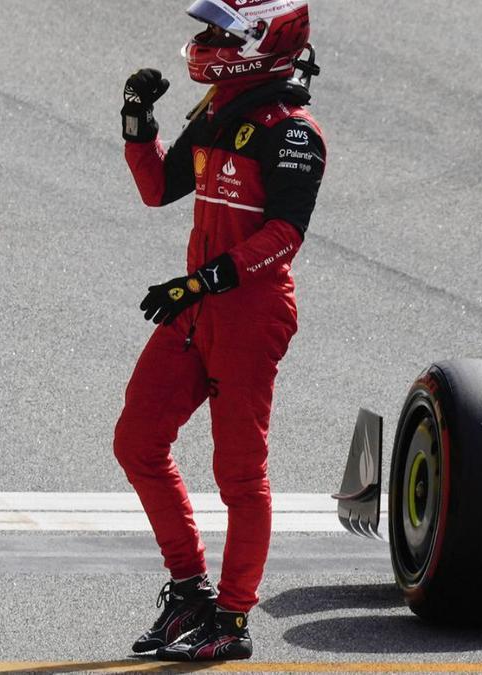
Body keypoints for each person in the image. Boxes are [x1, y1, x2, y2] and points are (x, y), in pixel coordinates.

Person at [113, 0, 325, 662]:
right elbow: (158, 189)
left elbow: (284, 235)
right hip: (197, 303)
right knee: (137, 440)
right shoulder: (217, 110)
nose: (204, 42)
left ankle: (231, 619)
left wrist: (203, 282)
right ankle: (189, 592)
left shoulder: (293, 133)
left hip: (249, 312)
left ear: (262, 42)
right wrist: (135, 124)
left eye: (219, 33)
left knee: (238, 471)